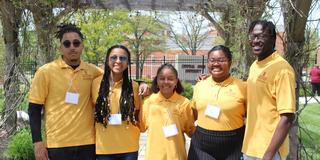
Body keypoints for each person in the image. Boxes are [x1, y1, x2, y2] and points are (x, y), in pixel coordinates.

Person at [28, 23, 103, 160]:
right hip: (57, 145)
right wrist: (37, 142)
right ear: (60, 48)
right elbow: (34, 109)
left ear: (82, 46)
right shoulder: (45, 72)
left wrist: (142, 87)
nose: (72, 47)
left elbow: (116, 79)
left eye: (76, 43)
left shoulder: (94, 72)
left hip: (88, 144)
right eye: (67, 44)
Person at [242, 20, 296, 160]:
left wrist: (268, 156)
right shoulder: (255, 65)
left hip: (270, 152)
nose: (256, 41)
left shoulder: (282, 69)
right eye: (253, 36)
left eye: (261, 36)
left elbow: (288, 116)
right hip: (251, 147)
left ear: (273, 39)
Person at [188, 45, 247, 160]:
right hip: (202, 146)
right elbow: (194, 113)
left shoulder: (242, 87)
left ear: (230, 62)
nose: (216, 64)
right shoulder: (200, 85)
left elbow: (250, 116)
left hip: (233, 146)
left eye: (221, 60)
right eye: (212, 60)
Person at [92, 45, 142, 160]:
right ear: (107, 60)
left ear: (128, 63)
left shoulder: (134, 86)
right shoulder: (95, 83)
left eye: (123, 58)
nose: (118, 61)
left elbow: (138, 113)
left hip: (129, 148)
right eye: (113, 57)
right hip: (104, 148)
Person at [140, 63, 195, 160]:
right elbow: (141, 127)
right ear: (157, 81)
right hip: (153, 156)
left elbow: (191, 131)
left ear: (176, 81)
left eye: (170, 78)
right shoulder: (149, 102)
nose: (166, 82)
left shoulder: (184, 103)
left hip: (177, 156)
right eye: (162, 78)